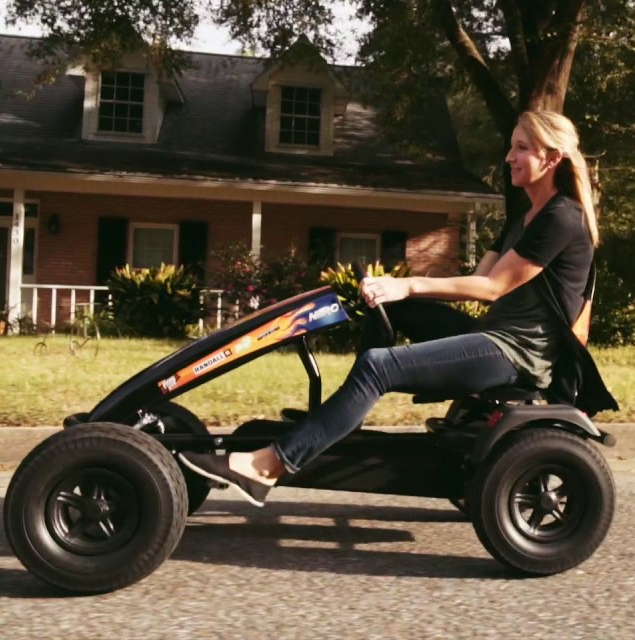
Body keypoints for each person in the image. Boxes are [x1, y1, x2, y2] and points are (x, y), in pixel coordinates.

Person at [179, 110, 604, 506]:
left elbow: (492, 288)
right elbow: (479, 276)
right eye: (511, 146)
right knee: (393, 313)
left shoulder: (561, 218)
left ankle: (266, 467)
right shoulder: (527, 215)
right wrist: (394, 293)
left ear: (550, 158)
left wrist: (406, 284)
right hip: (497, 337)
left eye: (521, 148)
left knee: (378, 367)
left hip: (518, 354)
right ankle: (345, 420)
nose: (509, 156)